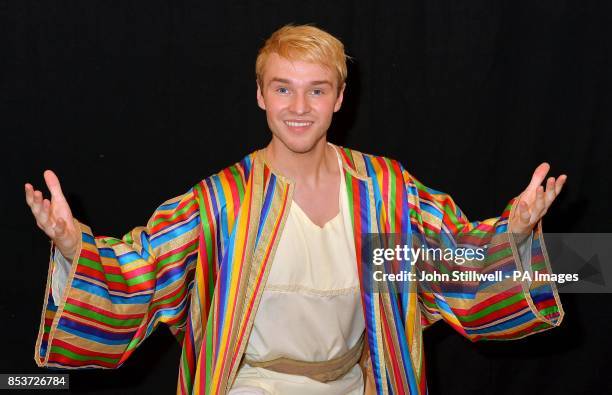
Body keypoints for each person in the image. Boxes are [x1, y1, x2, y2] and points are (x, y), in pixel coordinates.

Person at [25, 24, 567, 395]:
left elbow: (453, 266)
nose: (299, 108)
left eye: (316, 90)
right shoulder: (222, 201)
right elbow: (139, 271)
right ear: (261, 95)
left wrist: (514, 233)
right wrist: (75, 247)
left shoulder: (384, 192)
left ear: (340, 97)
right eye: (283, 89)